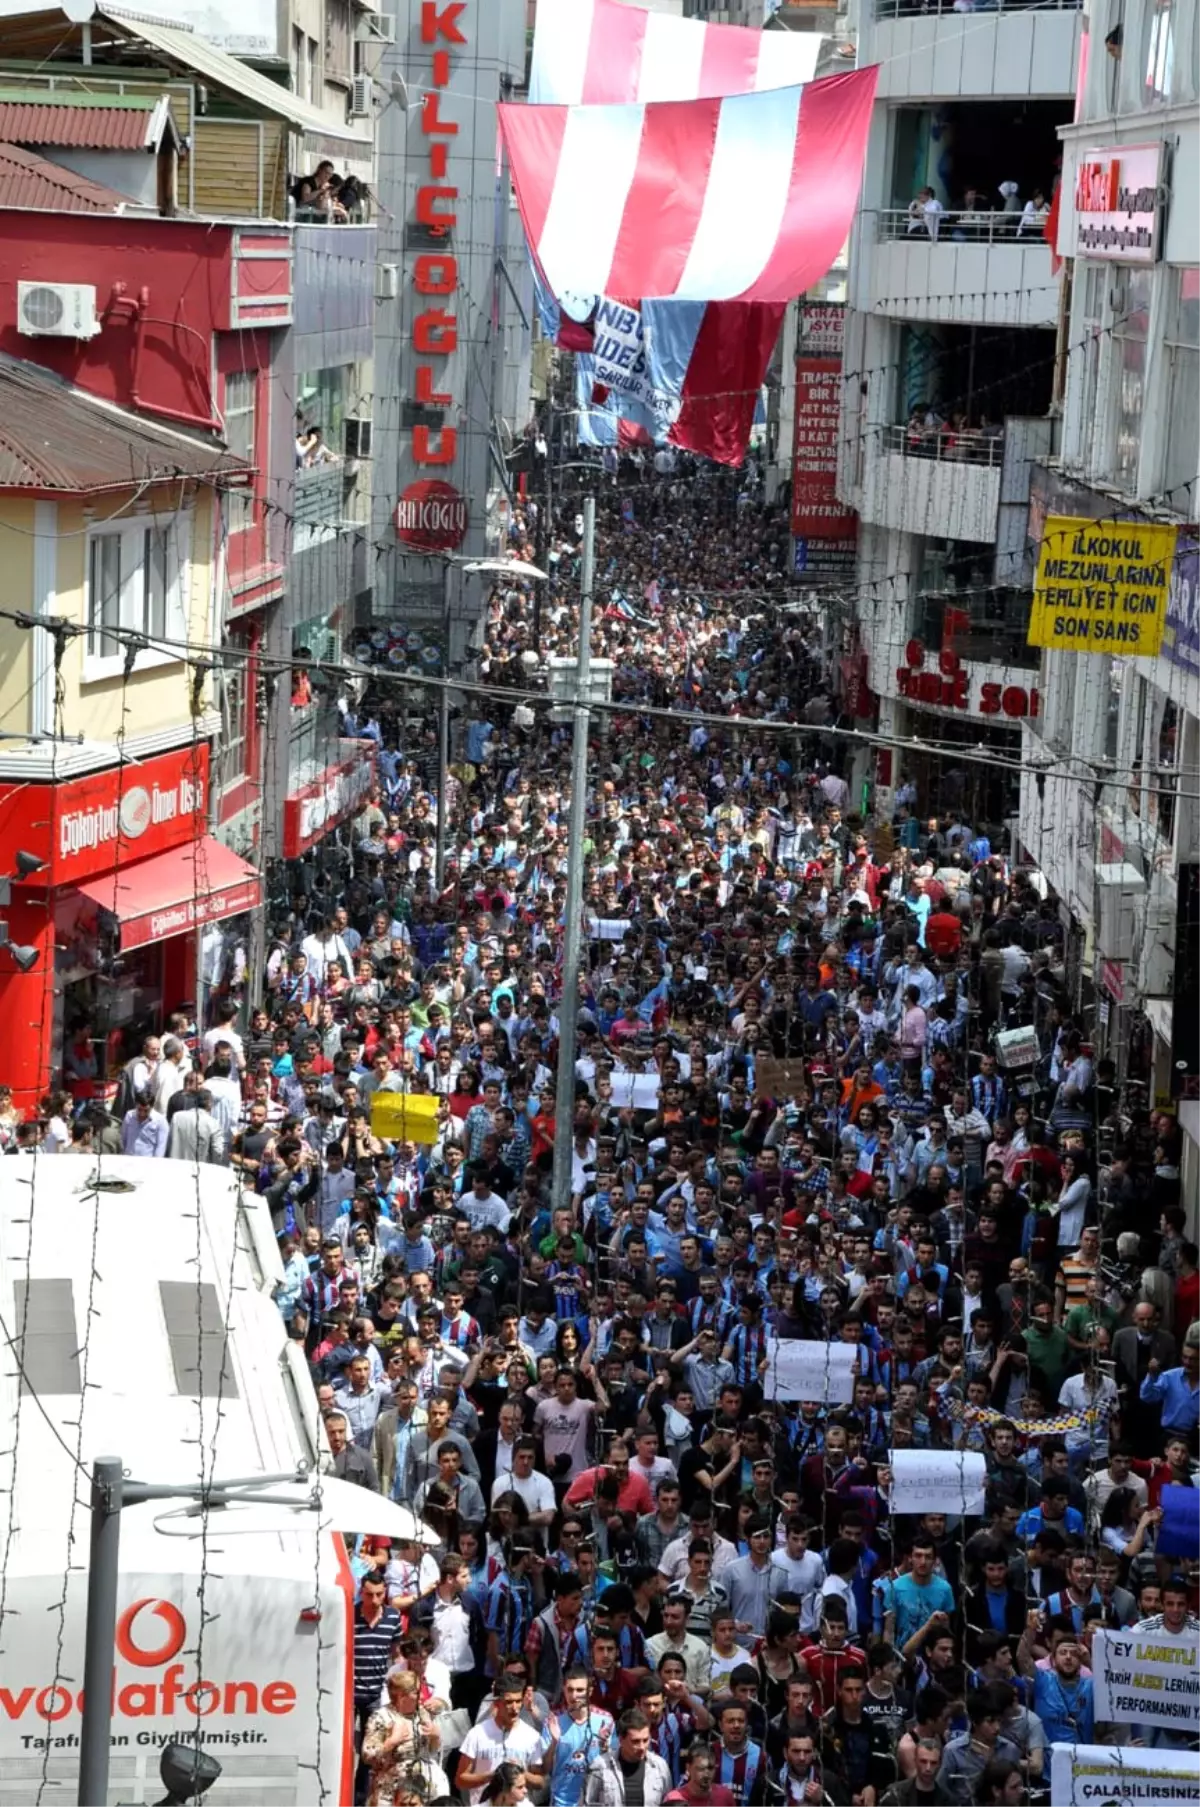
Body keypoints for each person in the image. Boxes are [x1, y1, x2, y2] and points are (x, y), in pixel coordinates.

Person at [456, 1675, 547, 1807]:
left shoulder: (532, 1736)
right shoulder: (477, 1734)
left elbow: (539, 1782)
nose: (515, 1708)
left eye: (518, 1701)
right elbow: (460, 1780)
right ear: (496, 1703)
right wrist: (493, 1776)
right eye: (509, 1702)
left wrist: (521, 1774)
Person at [583, 1708, 673, 1807]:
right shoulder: (600, 1767)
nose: (642, 1747)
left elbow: (668, 1802)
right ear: (621, 1740)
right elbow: (588, 1803)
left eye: (645, 1740)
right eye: (635, 1741)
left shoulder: (659, 1767)